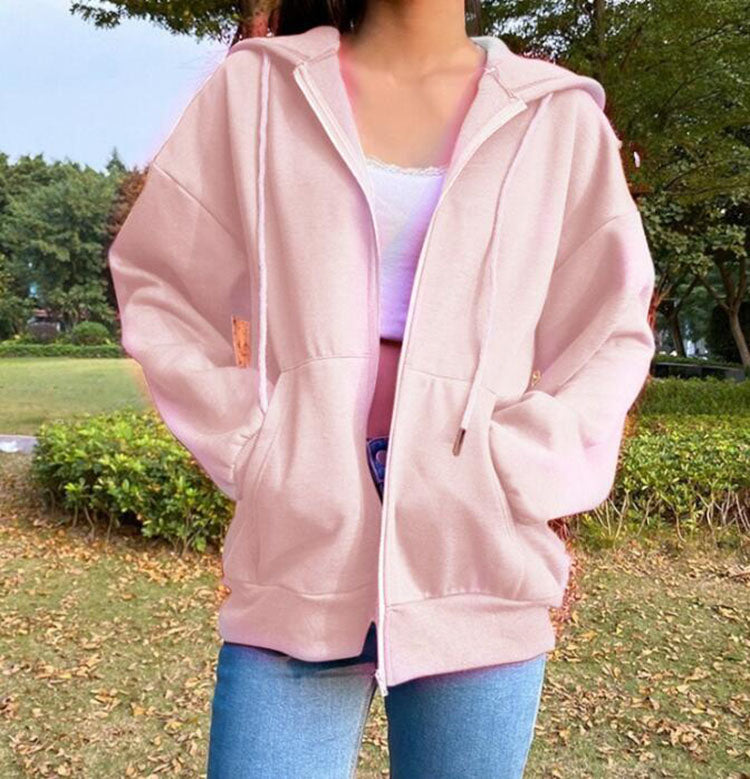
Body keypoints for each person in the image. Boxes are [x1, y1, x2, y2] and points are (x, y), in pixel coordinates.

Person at [107, 0, 657, 776]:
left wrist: (527, 462)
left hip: (476, 559)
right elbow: (162, 282)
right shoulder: (258, 93)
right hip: (300, 553)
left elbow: (612, 327)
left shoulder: (556, 118)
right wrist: (255, 442)